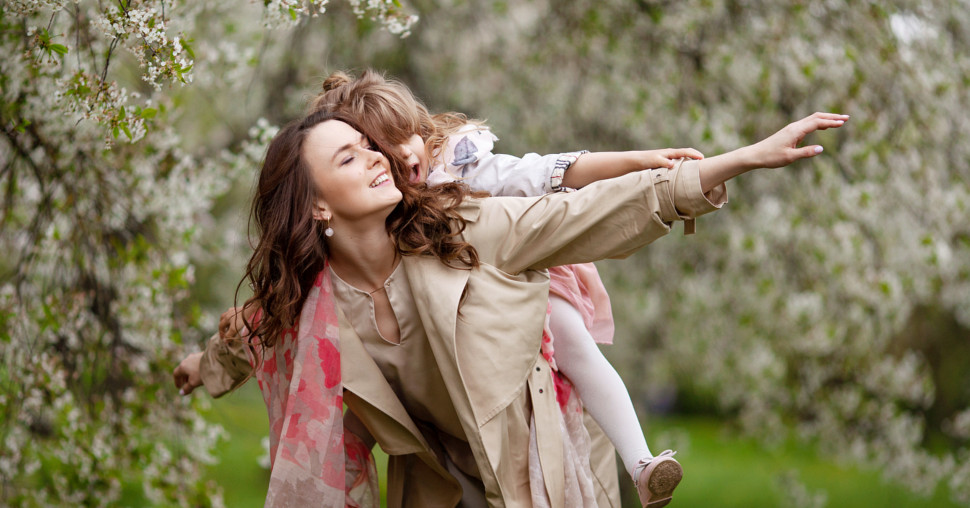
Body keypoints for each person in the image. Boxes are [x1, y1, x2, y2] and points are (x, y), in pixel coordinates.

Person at [175, 97, 848, 506]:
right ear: (317, 206)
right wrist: (202, 368)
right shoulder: (310, 303)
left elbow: (586, 211)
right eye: (349, 159)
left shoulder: (462, 231)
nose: (377, 159)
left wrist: (736, 161)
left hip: (539, 469)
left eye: (369, 148)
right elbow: (250, 333)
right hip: (438, 490)